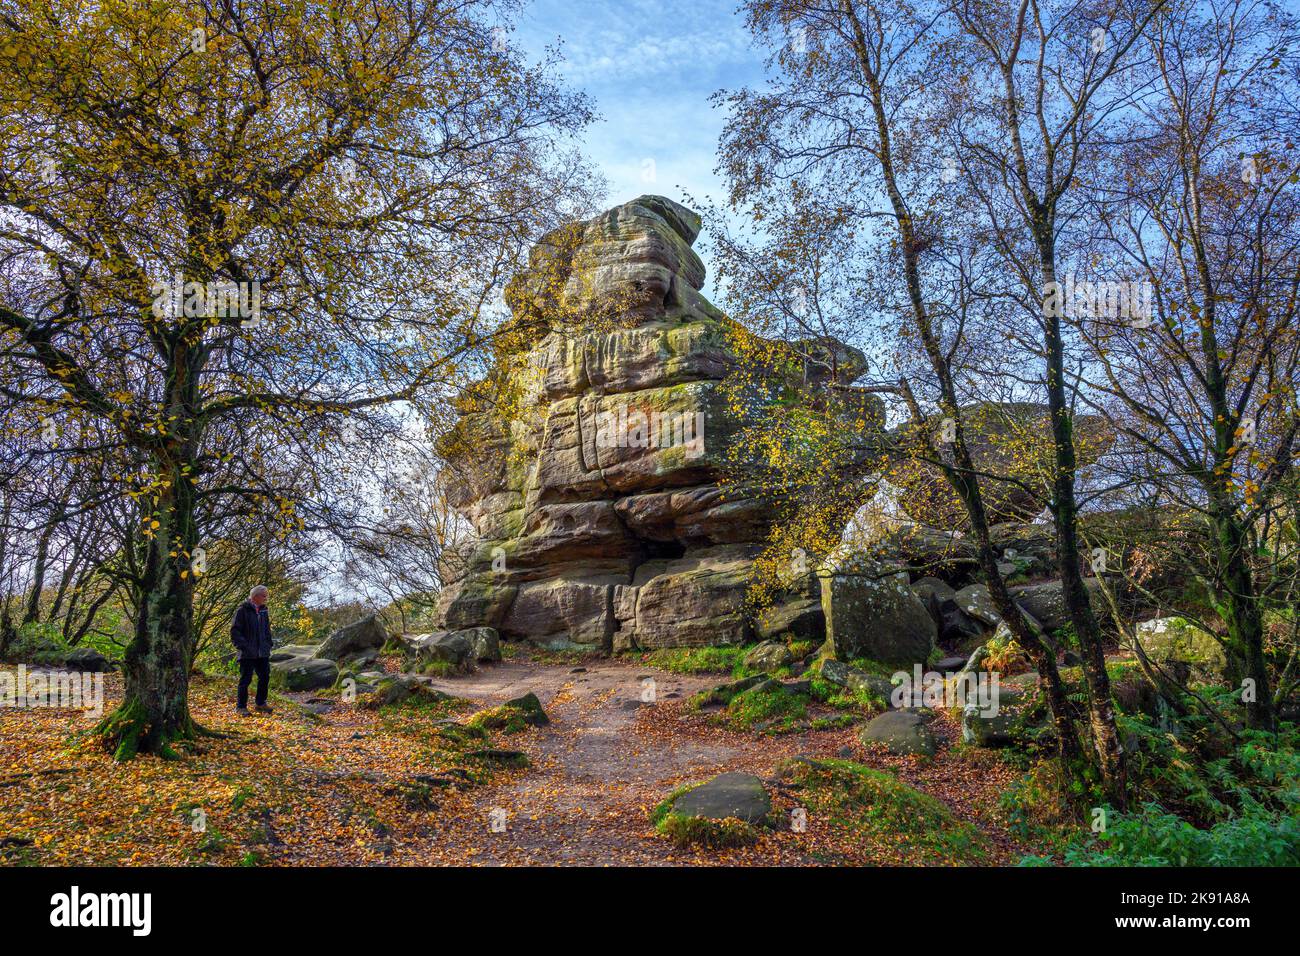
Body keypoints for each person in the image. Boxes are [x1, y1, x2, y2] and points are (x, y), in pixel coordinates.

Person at [231, 585, 274, 716]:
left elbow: (266, 630)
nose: (266, 598)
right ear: (255, 596)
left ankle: (260, 703)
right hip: (247, 653)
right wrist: (244, 646)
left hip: (262, 652)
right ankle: (241, 707)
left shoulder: (263, 611)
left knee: (265, 676)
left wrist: (268, 644)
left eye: (266, 595)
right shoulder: (242, 610)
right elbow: (235, 631)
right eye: (264, 596)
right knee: (245, 679)